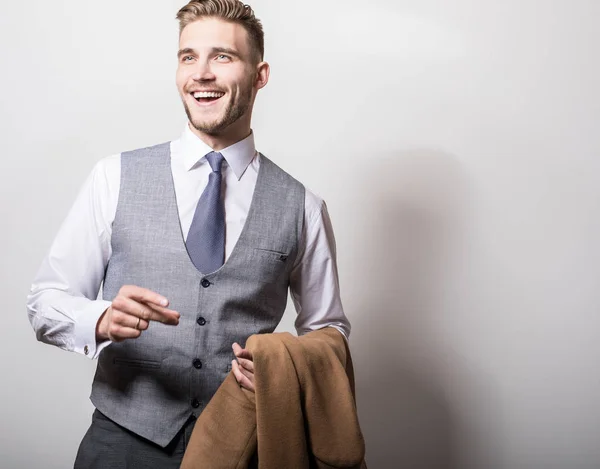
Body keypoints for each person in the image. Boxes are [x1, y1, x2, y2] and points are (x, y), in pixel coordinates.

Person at [26, 0, 350, 467]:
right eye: (187, 56)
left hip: (242, 445)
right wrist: (99, 319)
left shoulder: (304, 206)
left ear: (260, 75)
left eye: (222, 56)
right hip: (121, 445)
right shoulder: (113, 177)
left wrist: (285, 372)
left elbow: (328, 332)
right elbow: (45, 302)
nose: (201, 73)